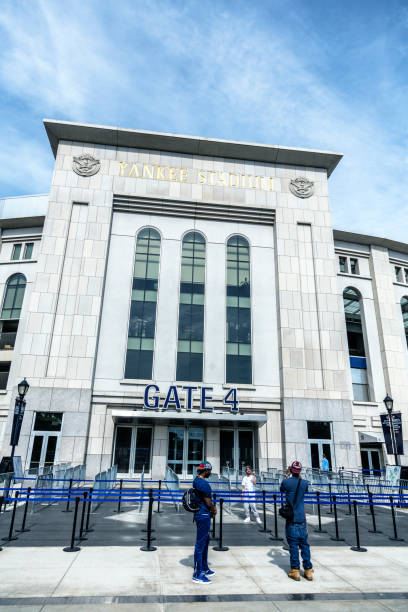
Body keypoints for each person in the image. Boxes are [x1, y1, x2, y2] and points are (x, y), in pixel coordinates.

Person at [280, 461, 314, 582]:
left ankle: (295, 570)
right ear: (300, 471)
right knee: (304, 544)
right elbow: (304, 491)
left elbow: (281, 489)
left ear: (291, 470)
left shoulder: (286, 482)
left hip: (291, 517)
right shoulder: (304, 483)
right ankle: (308, 570)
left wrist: (286, 475)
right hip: (301, 517)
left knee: (293, 544)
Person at [192, 461, 217, 584]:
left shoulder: (196, 480)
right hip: (203, 514)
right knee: (201, 543)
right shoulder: (203, 484)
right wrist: (213, 508)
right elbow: (207, 502)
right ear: (206, 470)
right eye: (209, 471)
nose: (210, 473)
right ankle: (198, 574)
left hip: (200, 514)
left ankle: (204, 567)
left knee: (205, 541)